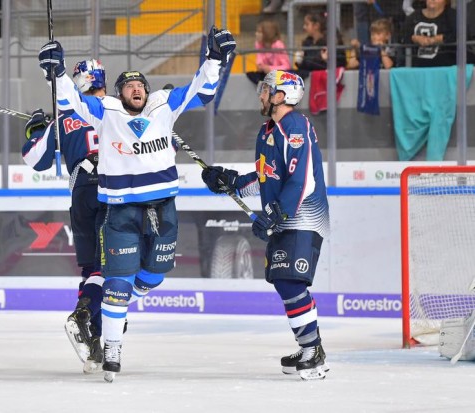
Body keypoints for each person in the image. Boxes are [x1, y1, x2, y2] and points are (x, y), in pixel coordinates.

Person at [37, 25, 236, 382]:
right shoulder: (106, 111)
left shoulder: (163, 104)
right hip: (121, 211)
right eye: (129, 86)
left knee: (152, 277)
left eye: (140, 84)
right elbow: (71, 101)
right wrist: (56, 73)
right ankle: (111, 349)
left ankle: (116, 310)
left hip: (163, 209)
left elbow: (200, 90)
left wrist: (215, 59)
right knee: (115, 281)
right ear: (119, 92)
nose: (136, 89)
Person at [201, 70, 330, 381]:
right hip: (286, 218)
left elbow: (302, 179)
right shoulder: (268, 131)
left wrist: (276, 213)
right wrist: (229, 181)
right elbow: (265, 177)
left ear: (281, 96)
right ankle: (308, 345)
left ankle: (314, 350)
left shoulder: (295, 126)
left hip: (302, 217)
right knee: (283, 280)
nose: (260, 94)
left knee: (290, 282)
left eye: (266, 89)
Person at [22, 59, 108, 374]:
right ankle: (89, 317)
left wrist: (35, 127)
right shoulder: (117, 109)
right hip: (114, 192)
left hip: (82, 192)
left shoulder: (65, 118)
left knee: (92, 269)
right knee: (113, 268)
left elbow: (34, 158)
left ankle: (95, 335)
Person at [293, 10, 346, 79]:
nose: (304, 27)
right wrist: (299, 62)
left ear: (316, 26)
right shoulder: (307, 42)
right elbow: (307, 66)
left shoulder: (330, 42)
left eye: (307, 24)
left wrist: (326, 60)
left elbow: (341, 63)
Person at [403, 0, 456, 67]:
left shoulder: (454, 17)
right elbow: (403, 38)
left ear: (446, 1)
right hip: (417, 69)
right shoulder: (413, 17)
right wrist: (414, 38)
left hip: (445, 69)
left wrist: (439, 39)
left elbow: (461, 36)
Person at [246, 19, 290, 85]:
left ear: (267, 33)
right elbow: (259, 59)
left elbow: (287, 66)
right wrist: (260, 66)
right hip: (266, 75)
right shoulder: (258, 44)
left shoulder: (278, 45)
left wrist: (271, 69)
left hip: (279, 77)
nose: (256, 34)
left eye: (259, 32)